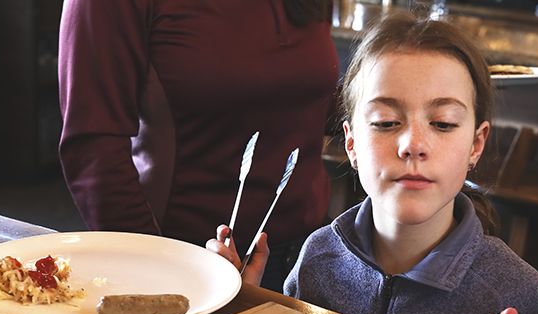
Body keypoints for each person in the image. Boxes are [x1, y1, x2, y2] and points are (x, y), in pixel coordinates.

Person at [208, 11, 538, 314]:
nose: (413, 145)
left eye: (443, 123)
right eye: (386, 122)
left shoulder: (521, 296)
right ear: (351, 144)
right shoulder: (317, 258)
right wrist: (247, 309)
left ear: (476, 145)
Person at [58, 0, 339, 292]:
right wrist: (156, 272)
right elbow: (94, 149)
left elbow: (303, 93)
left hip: (314, 254)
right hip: (187, 263)